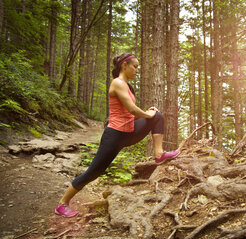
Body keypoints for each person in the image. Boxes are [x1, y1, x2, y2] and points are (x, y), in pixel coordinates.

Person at [54, 53, 180, 217]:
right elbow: (132, 109)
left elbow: (131, 115)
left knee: (158, 116)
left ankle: (159, 154)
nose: (137, 70)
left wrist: (149, 114)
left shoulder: (126, 86)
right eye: (135, 66)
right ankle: (62, 204)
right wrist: (147, 114)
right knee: (94, 172)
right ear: (124, 65)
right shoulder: (117, 83)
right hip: (114, 137)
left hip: (129, 132)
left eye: (138, 67)